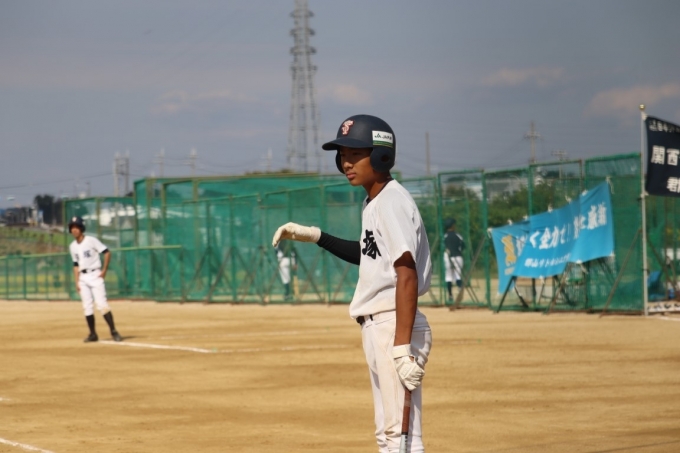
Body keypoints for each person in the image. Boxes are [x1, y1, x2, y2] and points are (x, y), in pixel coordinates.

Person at [272, 114, 432, 453]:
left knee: (401, 437)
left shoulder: (392, 201)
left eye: (355, 154)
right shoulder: (374, 201)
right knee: (387, 435)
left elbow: (406, 272)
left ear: (381, 156)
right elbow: (371, 256)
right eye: (342, 155)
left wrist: (402, 346)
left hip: (394, 323)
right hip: (381, 324)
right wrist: (315, 236)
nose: (346, 163)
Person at [68, 216, 123, 343]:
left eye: (77, 227)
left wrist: (104, 270)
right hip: (83, 278)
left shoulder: (91, 240)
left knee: (102, 305)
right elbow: (75, 265)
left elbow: (107, 252)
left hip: (95, 274)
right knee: (87, 306)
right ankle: (93, 334)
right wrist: (77, 281)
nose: (74, 230)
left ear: (81, 228)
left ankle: (114, 331)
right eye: (72, 227)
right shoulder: (72, 246)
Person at [443, 218, 465, 302]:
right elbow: (463, 245)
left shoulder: (445, 236)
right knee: (458, 275)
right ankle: (459, 290)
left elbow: (442, 247)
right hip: (458, 256)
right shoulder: (457, 235)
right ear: (452, 226)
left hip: (448, 257)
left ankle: (450, 296)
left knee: (448, 276)